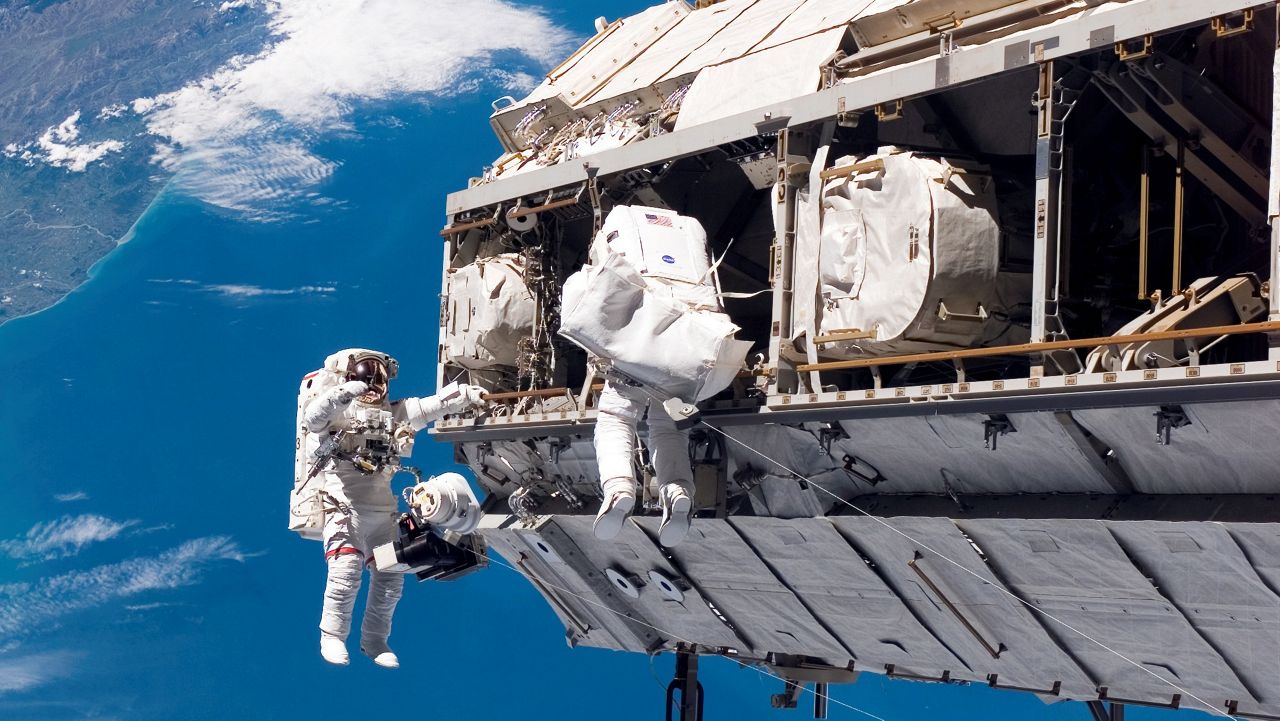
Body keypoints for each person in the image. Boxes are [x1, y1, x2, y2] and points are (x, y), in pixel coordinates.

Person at [301, 348, 484, 668]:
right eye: (365, 376)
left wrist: (465, 394)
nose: (373, 384)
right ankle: (331, 636)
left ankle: (374, 641)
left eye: (378, 378)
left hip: (383, 518)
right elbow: (313, 418)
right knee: (345, 574)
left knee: (389, 579)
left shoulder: (392, 416)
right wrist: (343, 394)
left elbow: (432, 406)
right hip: (347, 513)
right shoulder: (336, 416)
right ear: (348, 377)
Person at [593, 379, 694, 547]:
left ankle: (619, 489)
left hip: (638, 361)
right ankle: (677, 492)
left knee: (615, 419)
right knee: (671, 430)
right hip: (691, 371)